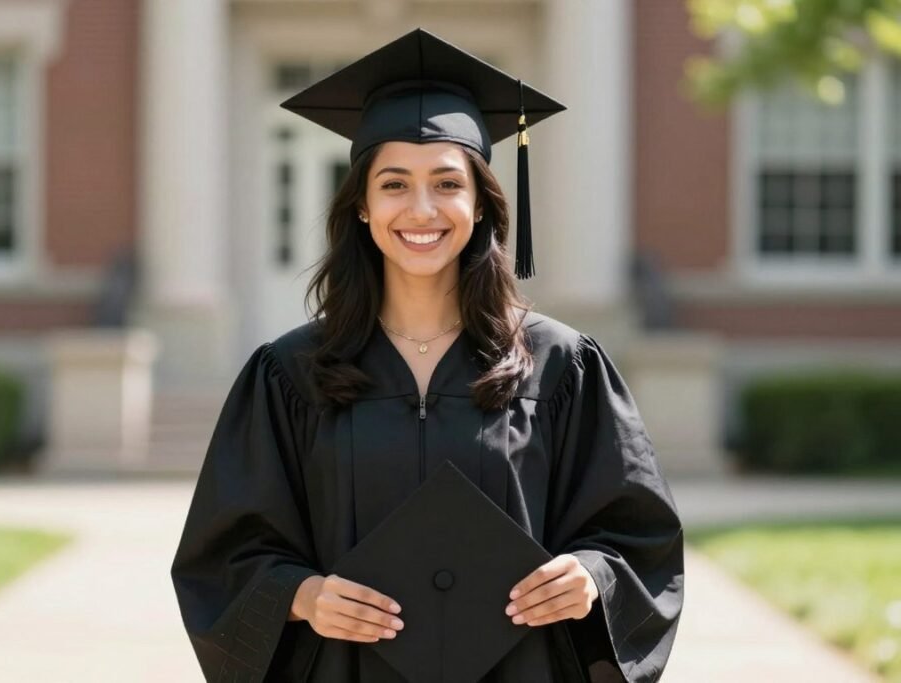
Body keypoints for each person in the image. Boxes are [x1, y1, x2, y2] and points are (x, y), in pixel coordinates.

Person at [171, 28, 684, 683]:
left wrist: (590, 575)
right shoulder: (291, 373)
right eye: (393, 184)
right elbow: (224, 554)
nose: (421, 209)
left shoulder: (561, 366)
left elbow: (639, 536)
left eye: (447, 183)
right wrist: (304, 596)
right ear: (360, 204)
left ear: (480, 204)